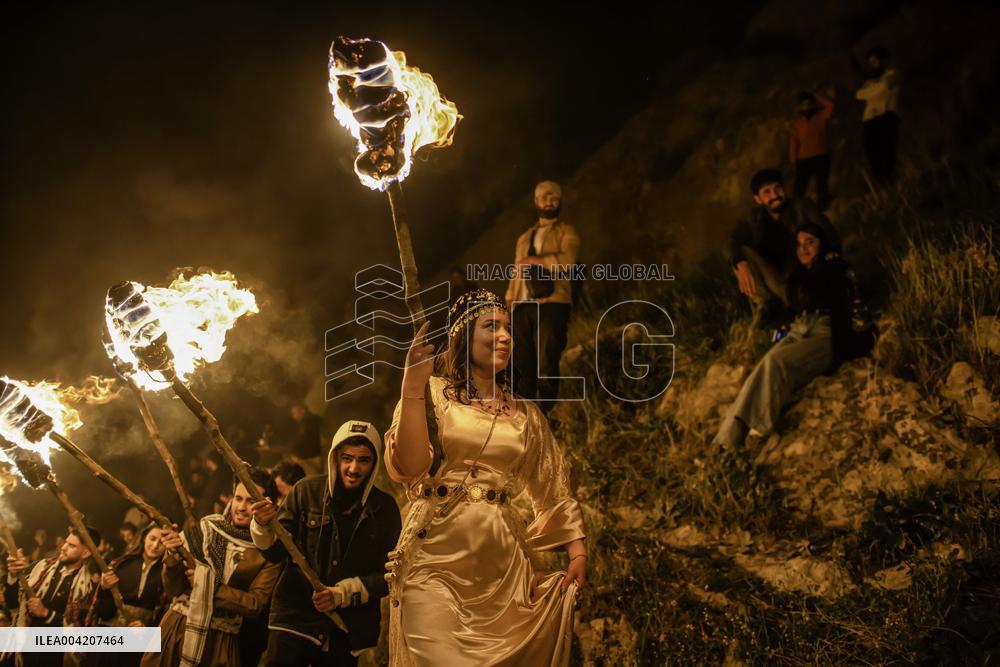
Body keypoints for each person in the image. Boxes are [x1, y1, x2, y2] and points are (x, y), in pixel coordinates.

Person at [385, 289, 586, 666]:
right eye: (491, 326)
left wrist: (576, 550)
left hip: (502, 568)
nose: (506, 336)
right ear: (463, 335)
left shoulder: (525, 414)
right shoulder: (432, 395)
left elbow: (553, 484)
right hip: (434, 557)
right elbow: (410, 468)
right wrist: (411, 389)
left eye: (508, 327)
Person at [249, 421, 401, 667]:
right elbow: (276, 552)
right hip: (294, 619)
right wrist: (263, 524)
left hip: (346, 630)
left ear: (374, 464)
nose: (353, 468)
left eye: (363, 460)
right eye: (347, 458)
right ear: (335, 458)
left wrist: (342, 595)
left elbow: (390, 573)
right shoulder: (305, 492)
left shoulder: (384, 509)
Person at [715, 224, 873, 449]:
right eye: (799, 245)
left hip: (825, 332)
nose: (804, 249)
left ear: (822, 245)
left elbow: (856, 309)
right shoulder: (797, 276)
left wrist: (858, 343)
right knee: (757, 374)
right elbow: (791, 307)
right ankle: (723, 443)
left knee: (776, 363)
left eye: (810, 242)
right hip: (799, 329)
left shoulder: (836, 267)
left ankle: (759, 432)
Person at [141, 468, 280, 667]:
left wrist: (209, 585)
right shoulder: (206, 528)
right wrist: (172, 558)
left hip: (219, 641)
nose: (241, 507)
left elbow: (254, 604)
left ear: (266, 505)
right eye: (238, 498)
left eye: (251, 501)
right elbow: (173, 589)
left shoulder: (270, 551)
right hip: (177, 628)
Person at [505, 180, 581, 413]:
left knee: (547, 360)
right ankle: (526, 416)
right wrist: (509, 301)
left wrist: (536, 261)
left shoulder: (567, 231)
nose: (549, 201)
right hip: (523, 307)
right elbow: (517, 272)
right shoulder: (524, 238)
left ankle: (546, 412)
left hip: (553, 303)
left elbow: (568, 263)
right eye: (544, 197)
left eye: (554, 197)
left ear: (559, 202)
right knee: (521, 364)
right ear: (536, 201)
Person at [726, 168, 841, 321]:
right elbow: (730, 241)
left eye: (778, 188)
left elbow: (827, 230)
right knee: (741, 254)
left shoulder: (802, 207)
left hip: (804, 279)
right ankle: (767, 305)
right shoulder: (754, 219)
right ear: (758, 199)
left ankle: (796, 306)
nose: (775, 195)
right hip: (775, 281)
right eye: (767, 192)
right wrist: (741, 265)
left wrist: (831, 251)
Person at [5, 528, 103, 666]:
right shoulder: (41, 568)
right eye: (66, 542)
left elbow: (81, 630)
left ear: (85, 552)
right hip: (22, 651)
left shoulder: (89, 587)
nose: (63, 547)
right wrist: (13, 576)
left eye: (71, 545)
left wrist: (47, 613)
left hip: (55, 658)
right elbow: (12, 604)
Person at [854, 46, 900, 184]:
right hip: (869, 119)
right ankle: (880, 181)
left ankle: (890, 179)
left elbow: (884, 89)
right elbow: (858, 95)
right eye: (870, 62)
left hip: (887, 115)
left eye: (875, 60)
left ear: (882, 60)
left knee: (886, 148)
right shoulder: (871, 80)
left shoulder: (892, 73)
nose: (873, 65)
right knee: (871, 151)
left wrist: (871, 90)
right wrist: (872, 89)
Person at [789, 91, 834, 209]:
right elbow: (794, 143)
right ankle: (796, 210)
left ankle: (823, 208)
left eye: (809, 104)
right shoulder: (797, 124)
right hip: (803, 159)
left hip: (821, 155)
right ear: (800, 107)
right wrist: (793, 160)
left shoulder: (821, 116)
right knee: (799, 187)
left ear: (813, 104)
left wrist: (816, 95)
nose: (807, 107)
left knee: (822, 184)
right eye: (804, 104)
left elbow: (830, 105)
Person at [289, 404, 323, 475]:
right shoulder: (314, 420)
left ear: (303, 411)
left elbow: (301, 440)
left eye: (295, 413)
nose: (293, 416)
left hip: (308, 459)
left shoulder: (306, 423)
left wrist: (290, 449)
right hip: (315, 456)